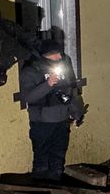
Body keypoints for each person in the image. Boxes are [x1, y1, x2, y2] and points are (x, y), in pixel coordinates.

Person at [20, 40, 85, 180]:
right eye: (55, 54)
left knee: (58, 157)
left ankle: (57, 185)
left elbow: (71, 91)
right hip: (42, 122)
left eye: (59, 53)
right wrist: (48, 84)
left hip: (61, 121)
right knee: (41, 160)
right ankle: (41, 189)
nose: (59, 57)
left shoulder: (64, 66)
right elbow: (28, 97)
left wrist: (77, 112)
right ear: (45, 55)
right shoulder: (31, 70)